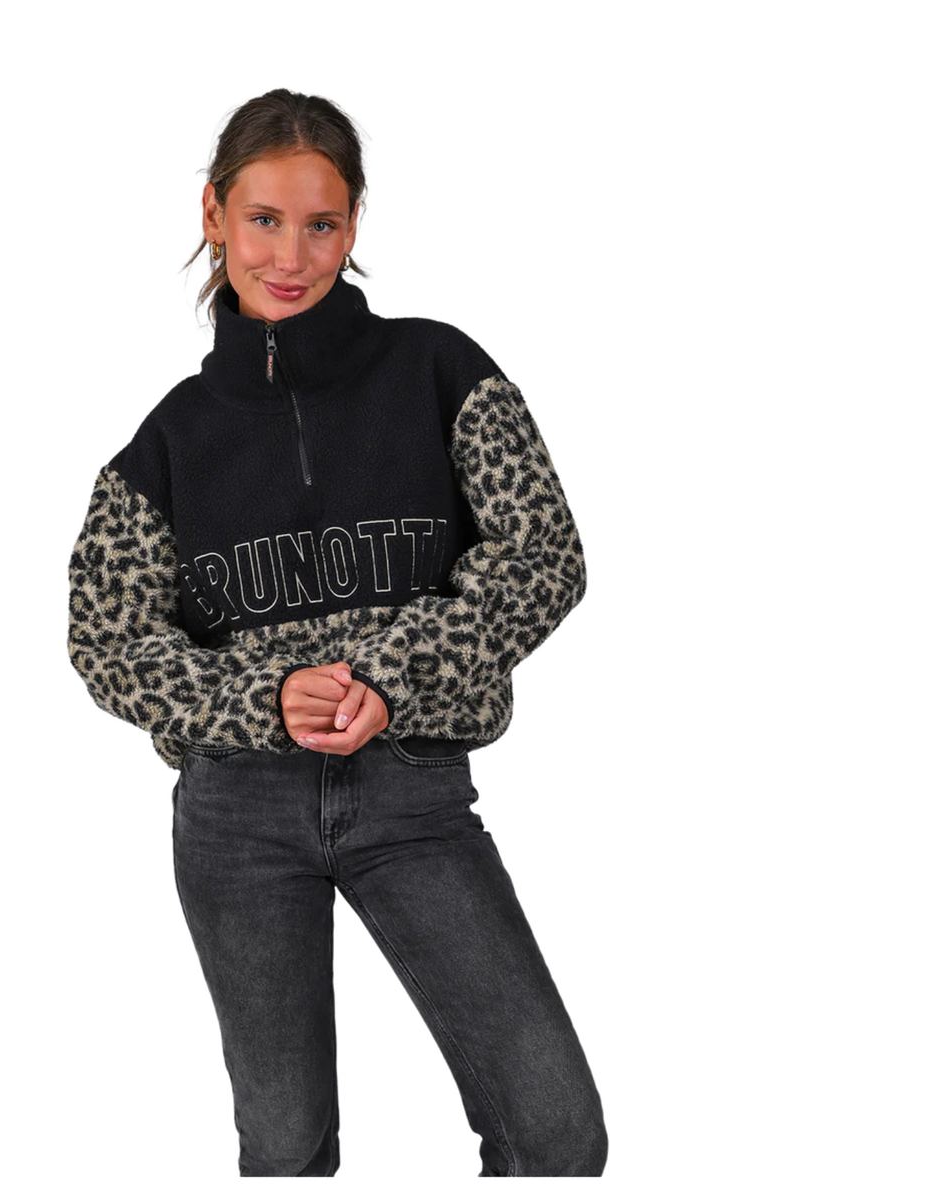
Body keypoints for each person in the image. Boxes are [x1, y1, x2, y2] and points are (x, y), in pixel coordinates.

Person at [66, 88, 607, 1177]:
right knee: (284, 1147)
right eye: (264, 219)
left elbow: (545, 556)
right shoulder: (167, 443)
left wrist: (392, 675)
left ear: (355, 223)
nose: (292, 255)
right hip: (237, 814)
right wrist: (260, 699)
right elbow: (107, 637)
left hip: (412, 791)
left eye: (321, 223)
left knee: (554, 1130)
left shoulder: (440, 371)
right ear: (214, 214)